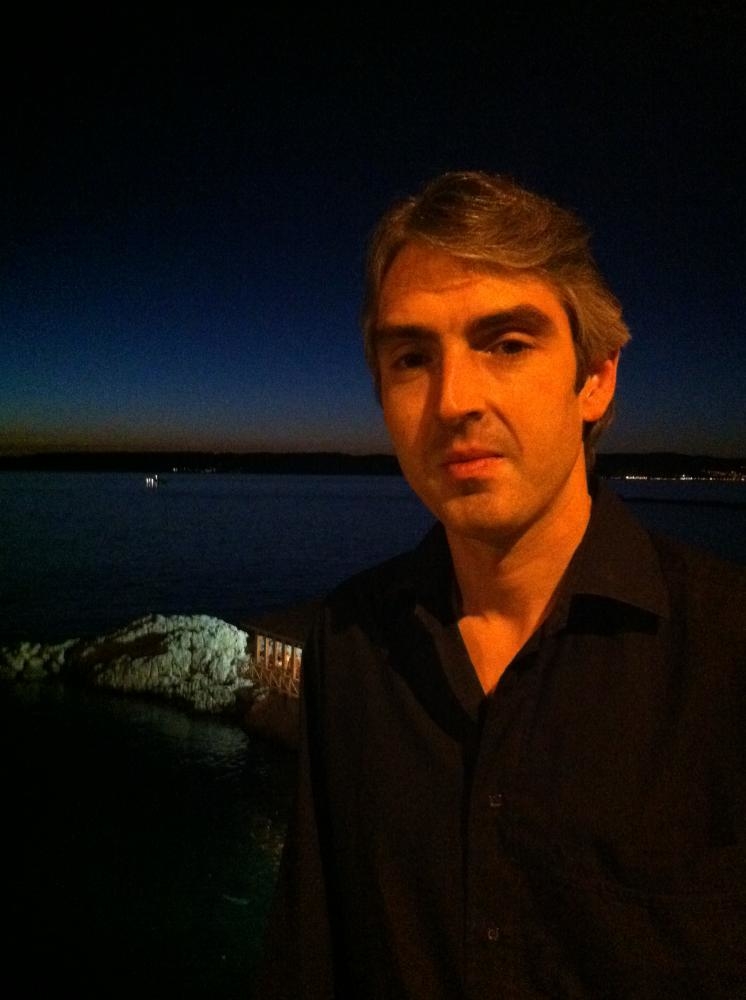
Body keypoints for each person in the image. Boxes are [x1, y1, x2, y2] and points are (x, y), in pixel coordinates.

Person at [255, 171, 746, 998]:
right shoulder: (352, 643)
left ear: (595, 378)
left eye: (508, 344)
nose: (453, 401)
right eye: (412, 358)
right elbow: (312, 954)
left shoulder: (726, 652)